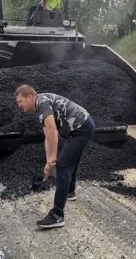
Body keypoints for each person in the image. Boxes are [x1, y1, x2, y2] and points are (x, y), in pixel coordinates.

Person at [15, 85, 95, 229]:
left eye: (20, 101)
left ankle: (57, 215)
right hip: (81, 126)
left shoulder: (42, 104)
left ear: (30, 96)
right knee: (71, 159)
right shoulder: (41, 104)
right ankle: (70, 192)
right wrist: (48, 161)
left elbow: (52, 131)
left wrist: (53, 159)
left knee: (63, 166)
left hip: (81, 128)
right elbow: (47, 135)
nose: (19, 105)